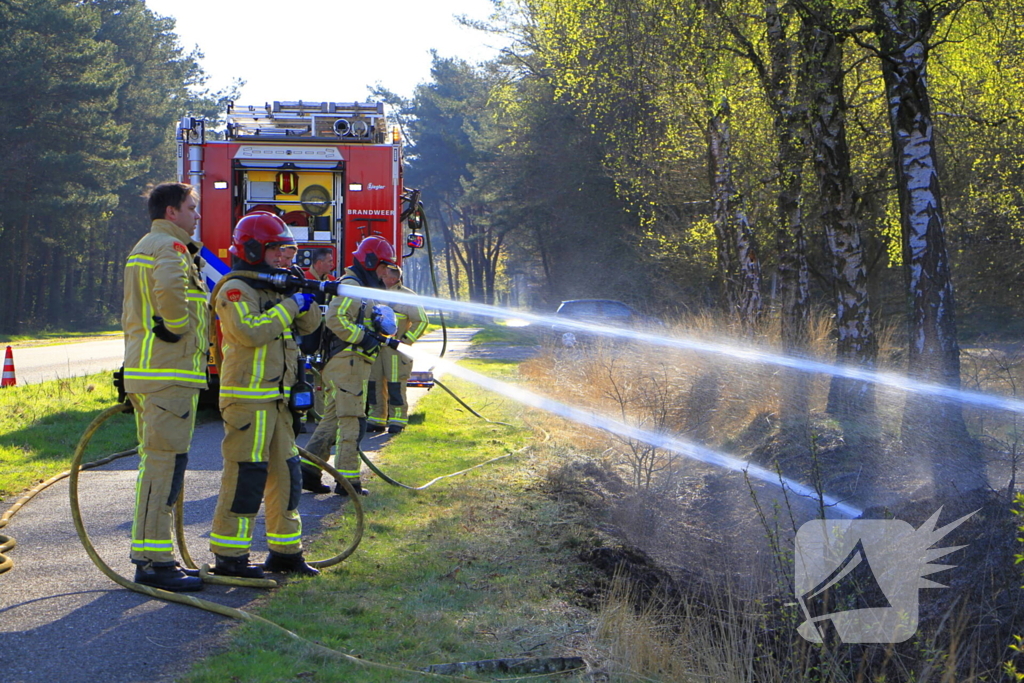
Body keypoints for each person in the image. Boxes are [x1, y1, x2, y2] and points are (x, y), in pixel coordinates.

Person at [208, 212, 323, 578]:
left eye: (289, 250)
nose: (286, 257)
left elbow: (310, 325)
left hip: (277, 400)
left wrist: (300, 292)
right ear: (255, 249)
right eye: (278, 250)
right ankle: (230, 558)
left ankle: (285, 552)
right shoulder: (235, 289)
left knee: (286, 476)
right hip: (247, 400)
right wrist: (291, 304)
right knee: (246, 476)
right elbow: (250, 332)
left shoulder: (277, 287)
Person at [122, 182, 209, 592]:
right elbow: (172, 293)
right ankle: (154, 561)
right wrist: (177, 329)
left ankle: (155, 557)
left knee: (160, 465)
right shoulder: (168, 249)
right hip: (166, 376)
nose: (197, 215)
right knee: (163, 468)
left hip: (154, 374)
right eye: (191, 208)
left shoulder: (148, 245)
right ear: (172, 212)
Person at [303, 236, 398, 496]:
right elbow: (335, 319)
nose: (384, 271)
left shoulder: (363, 287)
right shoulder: (352, 285)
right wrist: (363, 337)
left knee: (332, 420)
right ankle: (348, 483)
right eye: (382, 265)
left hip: (352, 363)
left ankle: (307, 470)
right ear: (369, 261)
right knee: (352, 422)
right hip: (348, 363)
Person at [366, 265, 428, 434]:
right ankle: (376, 419)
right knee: (374, 384)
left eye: (385, 275)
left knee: (395, 386)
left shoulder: (408, 297)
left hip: (396, 351)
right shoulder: (376, 294)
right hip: (377, 348)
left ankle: (398, 420)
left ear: (393, 279)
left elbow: (421, 321)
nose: (381, 277)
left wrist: (405, 341)